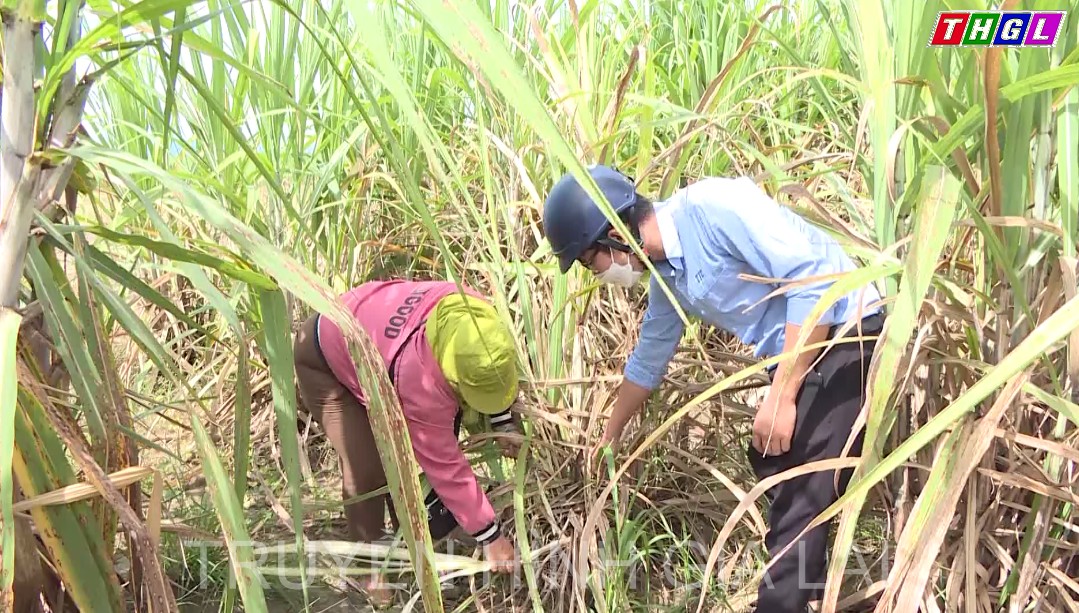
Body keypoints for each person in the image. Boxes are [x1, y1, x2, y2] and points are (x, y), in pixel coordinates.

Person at [541, 165, 884, 613]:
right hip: (808, 354)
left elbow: (813, 280)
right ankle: (821, 594)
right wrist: (609, 432)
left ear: (613, 235)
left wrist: (781, 396)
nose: (598, 275)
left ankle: (785, 603)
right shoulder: (667, 274)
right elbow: (648, 359)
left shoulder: (714, 208)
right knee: (772, 460)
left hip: (851, 334)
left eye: (591, 262)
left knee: (798, 492)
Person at [292, 279, 522, 605]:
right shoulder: (420, 379)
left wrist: (503, 421)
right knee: (368, 469)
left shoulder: (477, 316)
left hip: (373, 332)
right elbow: (445, 466)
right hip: (325, 354)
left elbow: (493, 371)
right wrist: (491, 537)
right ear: (450, 374)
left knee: (398, 463)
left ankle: (414, 548)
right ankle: (368, 571)